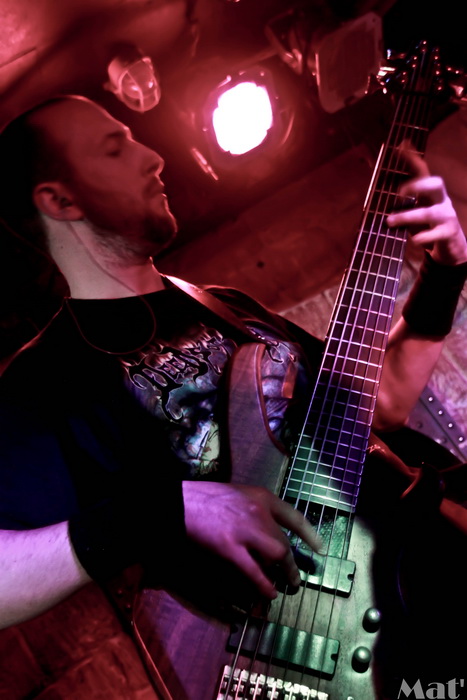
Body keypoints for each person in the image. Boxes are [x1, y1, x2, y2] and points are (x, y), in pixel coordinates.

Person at [0, 95, 466, 697]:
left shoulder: (224, 305)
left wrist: (444, 272)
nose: (154, 157)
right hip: (304, 654)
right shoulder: (49, 378)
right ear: (60, 201)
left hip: (428, 572)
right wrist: (169, 510)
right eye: (116, 147)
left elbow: (381, 404)